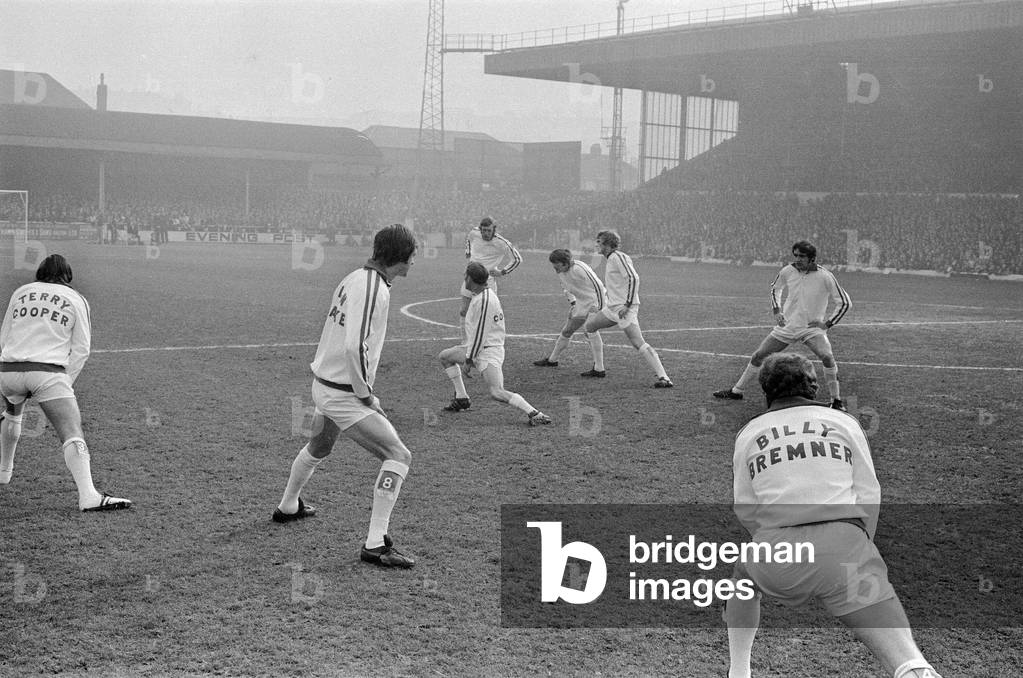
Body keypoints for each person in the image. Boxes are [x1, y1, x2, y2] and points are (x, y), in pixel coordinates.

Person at [723, 352, 941, 678]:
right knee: (906, 659)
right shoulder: (844, 422)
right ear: (813, 388)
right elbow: (869, 492)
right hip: (845, 546)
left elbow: (745, 507)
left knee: (743, 575)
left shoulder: (749, 433)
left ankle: (739, 672)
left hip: (779, 550)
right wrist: (859, 542)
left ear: (766, 391)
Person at [271, 223, 417, 570]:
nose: (414, 261)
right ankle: (375, 543)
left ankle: (288, 506)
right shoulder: (373, 288)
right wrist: (366, 394)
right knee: (398, 454)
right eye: (412, 255)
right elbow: (355, 345)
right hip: (343, 392)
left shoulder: (355, 278)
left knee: (320, 447)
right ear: (399, 256)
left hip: (324, 385)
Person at [0, 254, 132, 512]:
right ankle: (89, 496)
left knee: (12, 414)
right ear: (68, 276)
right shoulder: (76, 298)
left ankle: (4, 472)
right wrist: (64, 384)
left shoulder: (21, 292)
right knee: (71, 430)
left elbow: (4, 336)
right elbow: (81, 349)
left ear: (39, 273)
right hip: (47, 372)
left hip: (8, 369)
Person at [713, 240, 851, 410]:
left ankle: (836, 400)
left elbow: (844, 302)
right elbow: (775, 289)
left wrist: (827, 324)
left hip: (811, 329)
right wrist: (777, 311)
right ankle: (737, 391)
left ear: (812, 258)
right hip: (787, 326)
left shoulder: (825, 276)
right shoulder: (787, 270)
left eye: (802, 256)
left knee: (827, 357)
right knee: (758, 356)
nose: (798, 259)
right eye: (796, 255)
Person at [439, 262, 552, 427]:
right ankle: (462, 398)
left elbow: (480, 334)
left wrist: (469, 361)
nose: (464, 279)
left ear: (471, 279)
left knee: (497, 391)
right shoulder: (481, 295)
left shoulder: (484, 300)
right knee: (445, 357)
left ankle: (535, 413)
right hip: (478, 348)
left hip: (487, 351)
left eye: (465, 276)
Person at [581, 231, 674, 388]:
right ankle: (599, 369)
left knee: (638, 342)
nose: (596, 245)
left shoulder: (618, 257)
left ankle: (664, 377)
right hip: (613, 308)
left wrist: (627, 304)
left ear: (608, 244)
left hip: (624, 309)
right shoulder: (611, 258)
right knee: (589, 327)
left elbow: (633, 278)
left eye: (599, 242)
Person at [532, 249, 607, 371]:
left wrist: (600, 307)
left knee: (590, 331)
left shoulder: (580, 268)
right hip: (581, 302)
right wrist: (573, 302)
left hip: (595, 301)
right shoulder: (561, 271)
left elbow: (598, 286)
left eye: (556, 265)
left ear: (565, 263)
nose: (554, 268)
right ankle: (552, 360)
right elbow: (566, 287)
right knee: (567, 331)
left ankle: (599, 368)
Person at [459, 216, 521, 327]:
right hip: (470, 278)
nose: (485, 233)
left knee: (488, 313)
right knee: (464, 311)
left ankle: (488, 340)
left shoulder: (502, 243)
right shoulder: (474, 232)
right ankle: (466, 342)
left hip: (487, 282)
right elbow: (469, 238)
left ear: (494, 230)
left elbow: (517, 259)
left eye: (489, 231)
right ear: (480, 229)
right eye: (483, 230)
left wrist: (502, 272)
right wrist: (468, 252)